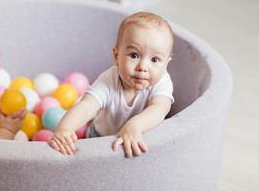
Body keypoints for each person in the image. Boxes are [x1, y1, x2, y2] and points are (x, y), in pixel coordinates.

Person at [50, 12, 174, 158]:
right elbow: (86, 106)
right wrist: (65, 128)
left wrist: (135, 126)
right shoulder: (109, 80)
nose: (143, 67)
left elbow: (159, 108)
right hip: (100, 137)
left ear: (165, 65)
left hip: (139, 135)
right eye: (134, 55)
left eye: (154, 59)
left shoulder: (162, 81)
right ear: (116, 56)